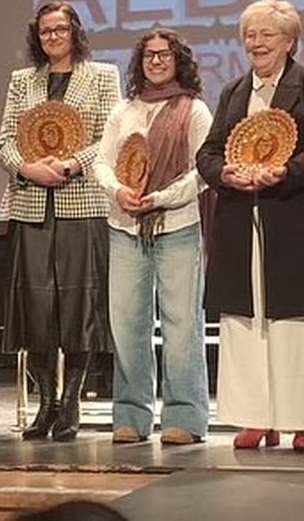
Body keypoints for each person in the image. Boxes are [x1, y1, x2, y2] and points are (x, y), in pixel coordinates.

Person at [197, 0, 304, 453]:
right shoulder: (233, 92)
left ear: (289, 41)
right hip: (241, 219)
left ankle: (302, 419)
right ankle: (255, 418)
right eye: (250, 34)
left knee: (293, 321)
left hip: (294, 215)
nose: (255, 42)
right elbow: (208, 153)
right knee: (244, 320)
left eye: (266, 34)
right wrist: (225, 174)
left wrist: (287, 171)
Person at [0, 2, 120, 442]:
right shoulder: (21, 81)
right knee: (37, 308)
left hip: (81, 203)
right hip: (32, 204)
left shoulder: (103, 76)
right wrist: (26, 169)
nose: (52, 37)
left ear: (75, 33)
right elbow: (6, 140)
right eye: (46, 30)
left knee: (79, 307)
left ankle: (72, 404)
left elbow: (110, 135)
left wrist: (68, 165)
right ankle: (45, 403)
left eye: (60, 29)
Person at [94, 29, 212, 445]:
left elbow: (203, 172)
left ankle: (186, 417)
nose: (157, 62)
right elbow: (101, 163)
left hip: (177, 225)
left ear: (179, 60)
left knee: (182, 325)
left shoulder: (194, 110)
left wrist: (160, 197)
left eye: (164, 55)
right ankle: (131, 416)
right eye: (149, 56)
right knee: (127, 324)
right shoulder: (123, 110)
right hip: (124, 226)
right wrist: (118, 192)